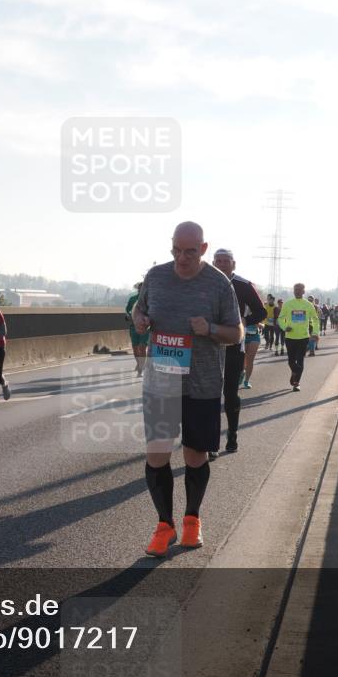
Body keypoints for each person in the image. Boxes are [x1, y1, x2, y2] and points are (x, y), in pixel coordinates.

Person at [133, 221, 242, 556]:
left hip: (202, 383)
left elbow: (236, 333)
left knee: (195, 455)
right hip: (161, 381)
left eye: (190, 251)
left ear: (204, 249)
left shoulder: (219, 284)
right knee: (157, 454)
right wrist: (140, 319)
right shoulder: (156, 276)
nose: (182, 258)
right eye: (176, 250)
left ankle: (192, 519)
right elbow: (140, 308)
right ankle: (164, 525)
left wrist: (209, 328)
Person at [212, 248, 266, 453]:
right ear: (213, 263)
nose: (222, 263)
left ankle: (232, 434)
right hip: (208, 346)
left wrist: (245, 320)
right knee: (209, 394)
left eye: (226, 261)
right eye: (218, 260)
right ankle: (211, 441)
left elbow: (261, 312)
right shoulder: (204, 281)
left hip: (234, 345)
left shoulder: (243, 285)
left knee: (230, 393)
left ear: (234, 264)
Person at [278, 282, 319, 392]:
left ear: (303, 292)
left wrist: (315, 333)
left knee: (300, 360)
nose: (297, 291)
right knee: (291, 361)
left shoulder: (308, 305)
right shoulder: (287, 304)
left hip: (303, 337)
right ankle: (295, 372)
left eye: (299, 290)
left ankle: (296, 383)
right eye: (295, 289)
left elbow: (315, 319)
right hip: (290, 337)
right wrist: (285, 327)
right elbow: (280, 318)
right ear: (293, 291)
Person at [125, 282, 148, 377]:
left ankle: (140, 369)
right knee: (135, 348)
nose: (140, 290)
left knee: (142, 347)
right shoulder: (132, 299)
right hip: (133, 327)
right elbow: (127, 311)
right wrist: (128, 316)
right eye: (139, 288)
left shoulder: (149, 299)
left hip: (145, 328)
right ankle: (139, 363)